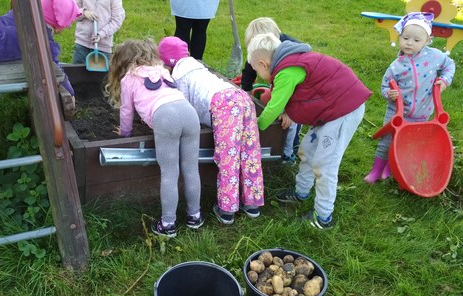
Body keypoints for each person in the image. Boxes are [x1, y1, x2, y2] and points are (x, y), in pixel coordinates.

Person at [247, 33, 372, 229]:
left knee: (325, 164)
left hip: (343, 111)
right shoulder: (291, 63)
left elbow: (274, 108)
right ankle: (301, 192)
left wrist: (254, 128)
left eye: (255, 70)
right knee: (307, 151)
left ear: (263, 64)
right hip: (330, 109)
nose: (257, 74)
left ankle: (323, 217)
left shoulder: (286, 71)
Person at [158, 36, 264, 225]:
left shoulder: (179, 77)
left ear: (166, 63)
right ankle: (252, 203)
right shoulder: (197, 67)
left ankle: (227, 209)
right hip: (241, 98)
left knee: (228, 157)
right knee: (249, 153)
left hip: (225, 105)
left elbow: (183, 107)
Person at [105, 38, 204, 237]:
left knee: (169, 173)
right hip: (189, 113)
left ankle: (168, 224)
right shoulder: (162, 70)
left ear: (123, 62)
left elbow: (126, 112)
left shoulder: (129, 78)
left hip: (165, 118)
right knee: (191, 169)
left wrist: (125, 133)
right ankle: (195, 216)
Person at [364, 12, 455, 183]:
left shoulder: (435, 57)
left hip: (422, 112)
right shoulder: (396, 66)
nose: (409, 43)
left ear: (427, 41)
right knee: (387, 142)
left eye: (416, 40)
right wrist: (388, 94)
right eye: (405, 38)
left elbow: (449, 65)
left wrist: (444, 80)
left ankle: (389, 169)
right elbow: (385, 86)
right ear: (400, 36)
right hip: (397, 112)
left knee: (405, 143)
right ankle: (376, 171)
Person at [242, 17, 302, 165]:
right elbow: (250, 68)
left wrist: (288, 112)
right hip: (280, 82)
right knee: (277, 104)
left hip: (300, 92)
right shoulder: (263, 52)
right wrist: (246, 90)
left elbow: (297, 90)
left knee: (291, 122)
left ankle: (290, 151)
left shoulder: (293, 56)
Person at [72, 0, 125, 64]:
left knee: (101, 74)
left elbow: (117, 20)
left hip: (103, 47)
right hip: (82, 45)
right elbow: (73, 11)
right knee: (77, 72)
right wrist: (83, 12)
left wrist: (101, 34)